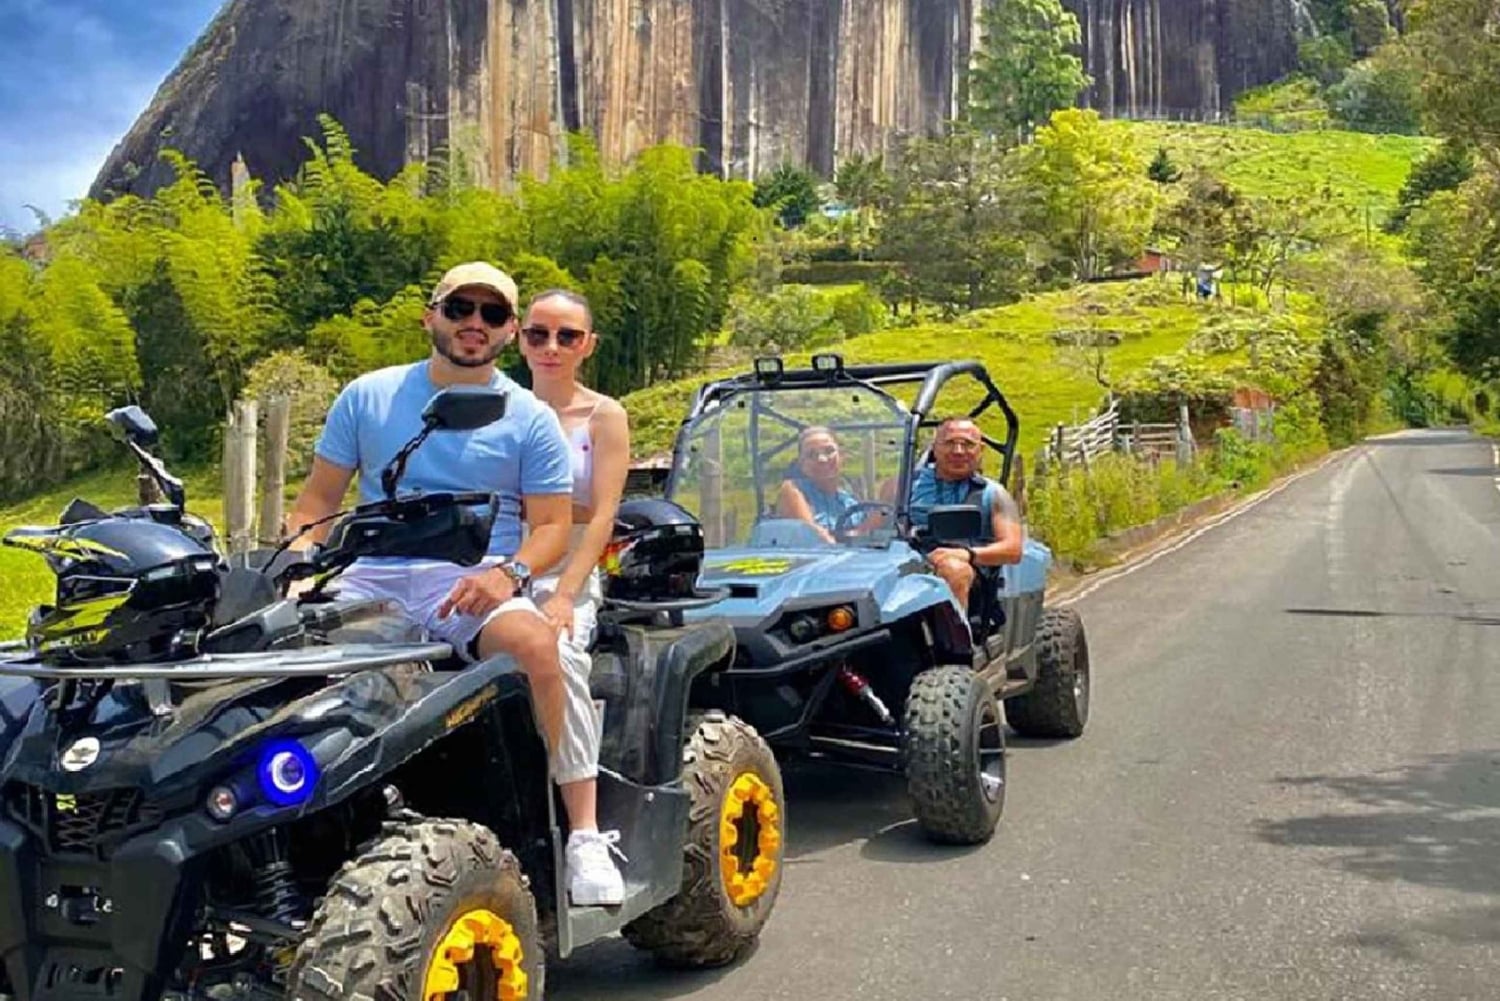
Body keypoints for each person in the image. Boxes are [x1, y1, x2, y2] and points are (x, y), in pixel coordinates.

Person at [283, 261, 623, 905]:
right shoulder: (368, 396)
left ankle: (582, 832)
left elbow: (551, 526)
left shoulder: (528, 417)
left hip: (469, 579)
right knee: (277, 661)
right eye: (460, 308)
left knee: (537, 645)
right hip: (371, 573)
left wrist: (508, 574)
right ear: (430, 315)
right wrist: (300, 567)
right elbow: (316, 504)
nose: (474, 324)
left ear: (508, 331)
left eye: (492, 315)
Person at [517, 287, 630, 903]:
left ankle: (584, 834)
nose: (551, 347)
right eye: (539, 334)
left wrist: (564, 593)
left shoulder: (601, 416)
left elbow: (603, 516)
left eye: (567, 336)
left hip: (570, 570)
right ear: (519, 338)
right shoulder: (496, 407)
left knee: (556, 653)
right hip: (497, 566)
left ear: (588, 345)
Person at [887, 417, 1024, 609]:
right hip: (906, 565)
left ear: (980, 450)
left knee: (953, 569)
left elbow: (1012, 550)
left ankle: (954, 637)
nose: (958, 451)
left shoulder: (993, 494)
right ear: (934, 447)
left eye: (968, 444)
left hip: (969, 573)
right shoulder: (901, 486)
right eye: (950, 443)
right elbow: (869, 529)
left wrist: (967, 554)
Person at [773, 426, 865, 543]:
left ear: (842, 455)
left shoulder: (850, 502)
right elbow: (813, 538)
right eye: (811, 455)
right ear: (802, 464)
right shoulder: (792, 491)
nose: (822, 459)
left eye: (829, 451)